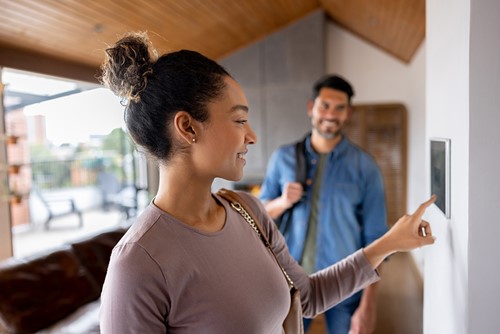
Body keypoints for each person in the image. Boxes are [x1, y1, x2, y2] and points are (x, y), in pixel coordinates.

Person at [98, 32, 436, 334]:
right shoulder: (137, 265)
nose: (252, 136)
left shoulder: (248, 210)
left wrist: (390, 242)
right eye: (239, 119)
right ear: (188, 128)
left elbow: (309, 296)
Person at [259, 75, 387, 334]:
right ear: (311, 108)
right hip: (290, 284)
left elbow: (377, 241)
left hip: (346, 287)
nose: (331, 114)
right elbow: (259, 216)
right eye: (325, 105)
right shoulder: (282, 158)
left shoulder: (366, 167)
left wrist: (368, 306)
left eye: (340, 107)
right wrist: (283, 202)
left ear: (348, 113)